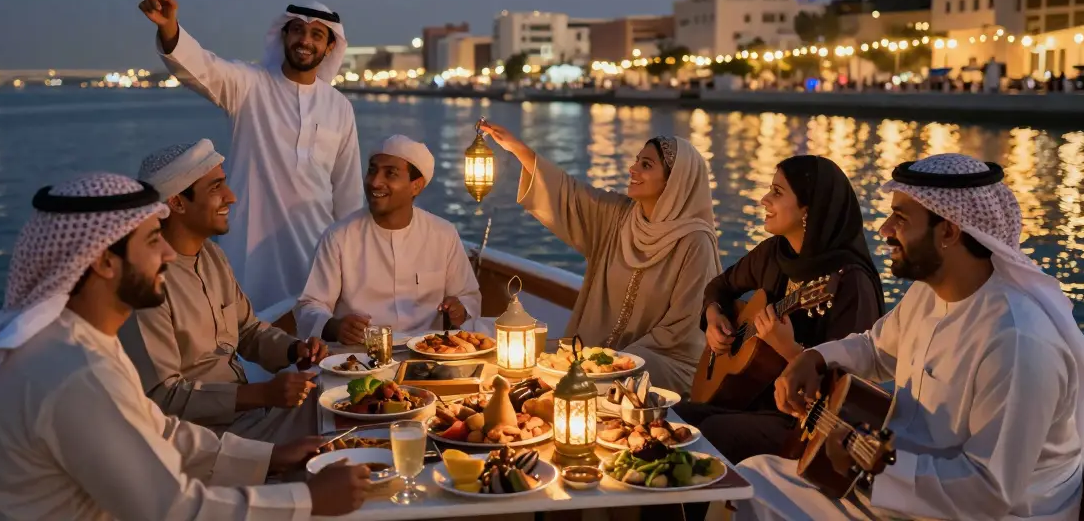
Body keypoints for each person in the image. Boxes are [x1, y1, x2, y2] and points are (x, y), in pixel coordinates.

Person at [0, 172, 369, 520]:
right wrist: (306, 500)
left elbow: (159, 430)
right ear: (102, 261)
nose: (169, 255)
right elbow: (171, 509)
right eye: (153, 241)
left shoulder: (78, 339)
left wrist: (271, 457)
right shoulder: (70, 370)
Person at [735, 154, 1084, 521]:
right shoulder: (930, 292)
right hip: (904, 489)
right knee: (751, 479)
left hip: (981, 513)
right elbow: (875, 348)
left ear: (948, 231)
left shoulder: (1018, 341)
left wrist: (865, 465)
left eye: (900, 218)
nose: (883, 230)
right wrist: (813, 358)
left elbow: (988, 492)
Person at [138, 0, 364, 317]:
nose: (305, 41)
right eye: (298, 30)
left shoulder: (339, 107)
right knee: (248, 337)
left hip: (315, 251)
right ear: (284, 35)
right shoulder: (249, 86)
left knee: (311, 340)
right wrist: (170, 27)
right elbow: (201, 67)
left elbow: (347, 195)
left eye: (317, 35)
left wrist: (354, 263)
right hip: (251, 249)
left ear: (330, 47)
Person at [480, 121, 722, 392]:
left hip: (663, 361)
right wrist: (517, 148)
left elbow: (684, 328)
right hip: (597, 358)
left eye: (646, 165)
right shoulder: (619, 217)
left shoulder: (694, 242)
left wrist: (614, 361)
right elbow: (569, 194)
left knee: (615, 378)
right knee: (534, 365)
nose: (633, 169)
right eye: (636, 161)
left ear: (675, 180)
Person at [676, 155, 884, 464]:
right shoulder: (775, 253)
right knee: (673, 416)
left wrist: (789, 350)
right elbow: (719, 287)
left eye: (776, 192)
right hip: (751, 400)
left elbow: (849, 393)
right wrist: (713, 315)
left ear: (807, 209)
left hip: (804, 423)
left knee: (712, 432)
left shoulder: (849, 283)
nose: (764, 200)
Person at [120, 140, 329, 443]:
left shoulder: (212, 256)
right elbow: (162, 396)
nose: (230, 197)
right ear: (177, 202)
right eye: (216, 187)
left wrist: (294, 350)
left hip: (250, 415)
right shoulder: (146, 283)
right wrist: (260, 394)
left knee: (344, 402)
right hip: (204, 438)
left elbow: (247, 330)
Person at [295, 135, 482, 343]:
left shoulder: (443, 234)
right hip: (358, 357)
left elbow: (469, 297)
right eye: (372, 170)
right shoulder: (340, 236)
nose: (375, 182)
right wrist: (334, 327)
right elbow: (309, 305)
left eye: (390, 174)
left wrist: (460, 310)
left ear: (416, 186)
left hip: (428, 353)